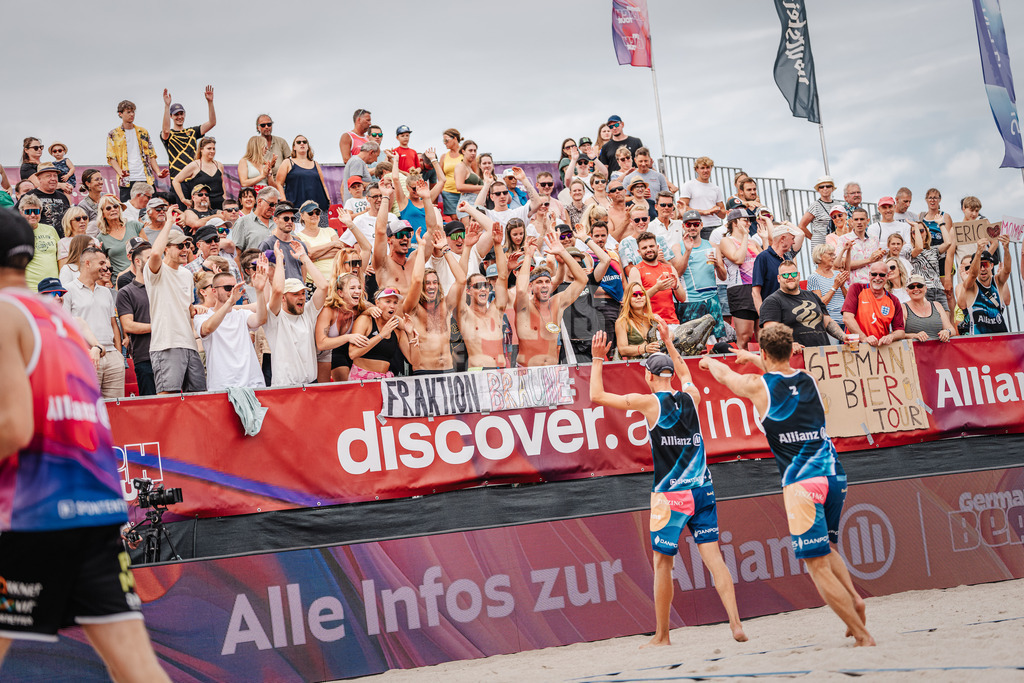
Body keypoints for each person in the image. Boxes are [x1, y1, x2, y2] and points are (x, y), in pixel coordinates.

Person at [0, 209, 172, 682]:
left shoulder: (5, 314)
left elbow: (14, 426)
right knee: (137, 669)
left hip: (36, 513)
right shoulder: (62, 320)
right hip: (96, 508)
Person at [699, 325, 874, 647]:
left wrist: (710, 363)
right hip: (835, 476)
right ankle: (855, 598)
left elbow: (725, 377)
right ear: (791, 350)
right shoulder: (810, 380)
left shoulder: (757, 387)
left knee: (816, 565)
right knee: (827, 549)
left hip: (801, 484)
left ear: (763, 354)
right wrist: (751, 357)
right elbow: (778, 369)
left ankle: (862, 636)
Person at [590, 321, 747, 648]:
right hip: (702, 487)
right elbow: (685, 373)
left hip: (671, 494)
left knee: (664, 564)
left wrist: (596, 360)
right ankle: (735, 622)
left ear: (649, 377)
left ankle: (662, 636)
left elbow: (596, 395)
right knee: (715, 559)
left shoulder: (650, 403)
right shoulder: (691, 397)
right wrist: (669, 344)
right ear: (670, 377)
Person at [145, 218, 206, 394]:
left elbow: (185, 307)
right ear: (166, 247)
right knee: (167, 398)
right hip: (167, 343)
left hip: (189, 343)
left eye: (187, 245)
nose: (185, 249)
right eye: (180, 246)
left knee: (198, 398)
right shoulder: (157, 270)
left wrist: (194, 310)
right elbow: (155, 254)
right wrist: (169, 223)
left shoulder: (187, 274)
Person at [514, 229, 588, 366]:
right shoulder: (524, 306)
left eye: (547, 282)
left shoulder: (557, 303)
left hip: (553, 373)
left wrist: (563, 252)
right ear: (531, 286)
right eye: (539, 282)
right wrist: (528, 256)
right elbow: (520, 290)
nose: (544, 285)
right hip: (528, 372)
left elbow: (582, 280)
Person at [400, 229, 466, 373]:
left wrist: (445, 249)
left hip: (448, 369)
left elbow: (462, 280)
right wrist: (422, 247)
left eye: (435, 282)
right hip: (424, 371)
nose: (432, 286)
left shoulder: (446, 305)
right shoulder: (413, 309)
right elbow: (417, 280)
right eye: (427, 283)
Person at [195, 264, 269, 391]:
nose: (233, 291)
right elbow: (207, 329)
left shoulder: (242, 314)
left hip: (252, 384)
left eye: (234, 287)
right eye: (228, 288)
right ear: (214, 291)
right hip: (222, 386)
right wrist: (230, 302)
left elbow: (261, 319)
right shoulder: (203, 316)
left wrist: (260, 291)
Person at [62, 247, 124, 398]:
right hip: (85, 356)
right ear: (88, 263)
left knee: (117, 409)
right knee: (89, 407)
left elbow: (113, 324)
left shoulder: (106, 292)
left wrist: (119, 355)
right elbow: (66, 328)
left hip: (112, 357)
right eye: (101, 263)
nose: (105, 267)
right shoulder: (67, 290)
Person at [265, 241, 329, 386]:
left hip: (311, 385)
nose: (301, 297)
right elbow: (277, 290)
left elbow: (324, 286)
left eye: (302, 293)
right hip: (286, 389)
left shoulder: (307, 312)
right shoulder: (274, 316)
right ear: (283, 298)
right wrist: (280, 259)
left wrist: (304, 257)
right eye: (295, 294)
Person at [455, 223, 511, 370]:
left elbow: (503, 277)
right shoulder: (465, 314)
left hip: (501, 372)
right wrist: (467, 248)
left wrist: (498, 245)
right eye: (478, 286)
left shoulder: (495, 312)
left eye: (485, 285)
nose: (483, 289)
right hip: (479, 372)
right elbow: (460, 280)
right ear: (468, 290)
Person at [759, 261, 847, 351]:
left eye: (793, 274)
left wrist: (844, 337)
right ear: (779, 278)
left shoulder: (812, 296)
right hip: (796, 357)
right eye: (785, 275)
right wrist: (788, 344)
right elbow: (771, 332)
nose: (790, 277)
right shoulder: (772, 301)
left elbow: (828, 322)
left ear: (798, 275)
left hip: (822, 355)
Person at [718, 208, 764, 349]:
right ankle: (743, 367)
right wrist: (744, 237)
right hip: (740, 288)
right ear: (735, 223)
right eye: (745, 220)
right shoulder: (726, 241)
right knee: (745, 335)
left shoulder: (753, 242)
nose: (749, 223)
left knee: (764, 334)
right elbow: (738, 258)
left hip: (758, 286)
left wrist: (766, 239)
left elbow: (765, 260)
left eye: (749, 220)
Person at [349, 288, 418, 380]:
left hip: (384, 381)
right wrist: (381, 335)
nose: (392, 306)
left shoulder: (397, 329)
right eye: (388, 301)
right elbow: (353, 353)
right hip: (361, 378)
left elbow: (415, 362)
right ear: (377, 303)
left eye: (395, 302)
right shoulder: (365, 320)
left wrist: (410, 334)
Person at [117, 241, 157, 395]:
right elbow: (128, 325)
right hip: (145, 356)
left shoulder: (163, 286)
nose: (156, 260)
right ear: (137, 261)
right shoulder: (126, 292)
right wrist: (157, 326)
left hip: (169, 353)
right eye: (150, 257)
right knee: (152, 406)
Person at [106, 99, 166, 202]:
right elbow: (111, 157)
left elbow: (151, 155)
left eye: (133, 111)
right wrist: (120, 173)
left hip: (145, 177)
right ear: (120, 114)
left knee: (152, 207)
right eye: (128, 112)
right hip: (127, 180)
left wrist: (158, 172)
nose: (131, 114)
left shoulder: (142, 132)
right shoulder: (114, 134)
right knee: (128, 210)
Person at [628, 231, 686, 326]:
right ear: (639, 252)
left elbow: (683, 298)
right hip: (649, 324)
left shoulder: (670, 268)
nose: (649, 249)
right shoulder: (636, 270)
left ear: (657, 247)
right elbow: (634, 301)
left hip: (672, 322)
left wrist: (676, 287)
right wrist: (657, 288)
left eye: (651, 246)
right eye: (644, 248)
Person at [841, 262, 906, 346]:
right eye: (874, 274)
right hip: (854, 347)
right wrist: (864, 338)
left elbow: (900, 331)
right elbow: (847, 318)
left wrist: (891, 337)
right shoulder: (856, 289)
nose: (877, 278)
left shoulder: (894, 300)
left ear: (887, 276)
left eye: (882, 275)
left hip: (879, 349)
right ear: (869, 274)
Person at [957, 236, 1012, 335]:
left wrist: (1006, 249)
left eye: (985, 265)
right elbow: (973, 274)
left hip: (1000, 338)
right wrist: (978, 252)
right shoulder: (971, 285)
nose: (982, 269)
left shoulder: (997, 281)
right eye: (979, 265)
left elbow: (1007, 271)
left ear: (991, 265)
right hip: (979, 341)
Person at [161, 86, 216, 179]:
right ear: (171, 116)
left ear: (185, 114)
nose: (179, 117)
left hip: (194, 176)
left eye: (181, 114)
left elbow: (212, 123)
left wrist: (210, 102)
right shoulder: (169, 134)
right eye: (176, 114)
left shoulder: (192, 131)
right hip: (177, 178)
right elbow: (166, 131)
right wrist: (167, 106)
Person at [276, 136, 332, 227]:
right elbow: (279, 183)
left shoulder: (315, 163)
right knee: (300, 237)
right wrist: (284, 202)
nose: (302, 143)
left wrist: (328, 199)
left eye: (304, 142)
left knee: (321, 236)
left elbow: (323, 184)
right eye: (298, 142)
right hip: (297, 208)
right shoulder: (288, 162)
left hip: (318, 208)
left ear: (308, 146)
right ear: (294, 147)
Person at [678, 157, 726, 240]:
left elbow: (723, 214)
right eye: (702, 168)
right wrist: (704, 212)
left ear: (711, 168)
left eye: (708, 167)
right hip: (698, 227)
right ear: (697, 169)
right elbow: (682, 207)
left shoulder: (716, 188)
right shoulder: (689, 185)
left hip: (716, 226)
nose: (705, 170)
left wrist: (717, 210)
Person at [94, 194, 141, 279]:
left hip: (142, 275)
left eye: (116, 206)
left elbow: (148, 249)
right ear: (103, 214)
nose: (113, 209)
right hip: (121, 280)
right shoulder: (101, 237)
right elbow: (101, 264)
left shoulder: (134, 225)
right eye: (108, 208)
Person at [172, 136, 226, 211]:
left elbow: (222, 182)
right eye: (209, 148)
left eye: (214, 149)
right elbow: (176, 181)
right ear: (201, 149)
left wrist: (225, 198)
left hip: (219, 205)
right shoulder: (195, 165)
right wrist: (183, 199)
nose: (212, 151)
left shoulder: (219, 165)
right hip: (201, 207)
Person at [751, 225, 796, 313]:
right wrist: (763, 316)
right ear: (782, 238)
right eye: (792, 238)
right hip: (772, 312)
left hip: (790, 311)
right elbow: (755, 292)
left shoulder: (788, 259)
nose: (794, 242)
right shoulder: (763, 257)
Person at [20, 195, 60, 293]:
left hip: (54, 286)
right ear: (21, 213)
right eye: (28, 212)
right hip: (31, 288)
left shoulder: (50, 230)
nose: (33, 215)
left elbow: (60, 256)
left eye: (36, 211)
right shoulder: (18, 232)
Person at [615, 281, 663, 360]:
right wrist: (645, 348)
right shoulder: (622, 322)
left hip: (656, 364)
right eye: (634, 294)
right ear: (628, 298)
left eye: (641, 294)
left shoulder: (653, 318)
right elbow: (622, 350)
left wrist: (662, 341)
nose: (639, 297)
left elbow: (671, 336)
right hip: (635, 367)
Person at [903, 274, 955, 342]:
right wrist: (915, 336)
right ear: (907, 291)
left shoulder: (937, 305)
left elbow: (952, 330)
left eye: (919, 286)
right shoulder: (903, 308)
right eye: (911, 287)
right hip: (915, 351)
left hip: (938, 350)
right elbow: (899, 334)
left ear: (925, 288)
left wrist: (947, 332)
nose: (916, 289)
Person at [838, 208, 883, 285]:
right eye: (856, 219)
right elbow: (843, 265)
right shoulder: (843, 239)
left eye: (862, 219)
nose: (859, 222)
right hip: (853, 285)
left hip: (873, 285)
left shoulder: (874, 239)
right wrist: (869, 260)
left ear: (867, 221)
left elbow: (879, 262)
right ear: (852, 221)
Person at [807, 244, 849, 325]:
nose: (833, 257)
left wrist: (842, 286)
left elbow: (849, 300)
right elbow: (819, 304)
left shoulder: (838, 274)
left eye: (834, 254)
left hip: (846, 320)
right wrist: (835, 287)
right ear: (820, 256)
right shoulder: (814, 278)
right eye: (830, 254)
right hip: (831, 323)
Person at [28, 163, 72, 237]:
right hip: (40, 242)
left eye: (55, 176)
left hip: (62, 242)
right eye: (48, 176)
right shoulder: (29, 196)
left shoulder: (63, 197)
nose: (53, 179)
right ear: (39, 179)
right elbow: (16, 219)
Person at [798, 176, 839, 249]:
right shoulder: (815, 205)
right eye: (821, 187)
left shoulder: (838, 204)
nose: (825, 189)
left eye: (828, 186)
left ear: (832, 189)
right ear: (818, 190)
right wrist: (813, 239)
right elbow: (801, 226)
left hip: (836, 241)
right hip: (820, 244)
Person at [233, 187, 278, 252]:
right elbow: (236, 253)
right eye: (271, 204)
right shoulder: (243, 222)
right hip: (252, 261)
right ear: (259, 202)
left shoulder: (278, 222)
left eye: (275, 205)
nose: (273, 208)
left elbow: (294, 240)